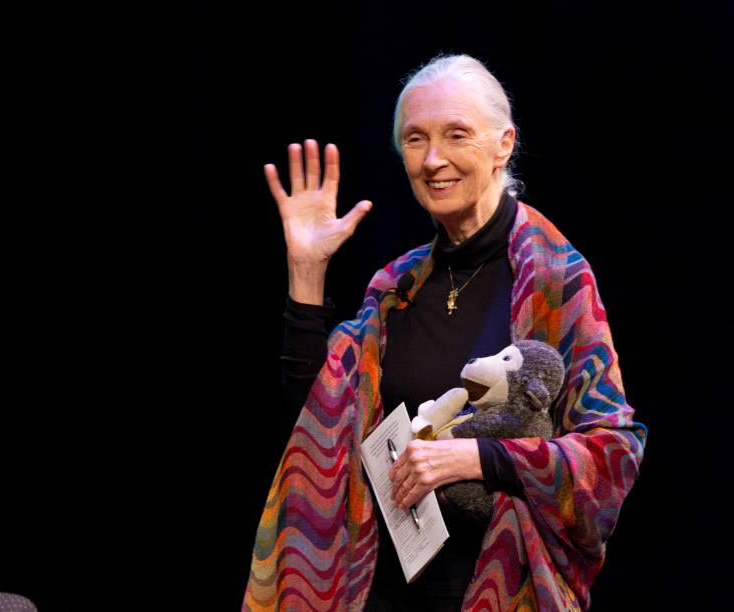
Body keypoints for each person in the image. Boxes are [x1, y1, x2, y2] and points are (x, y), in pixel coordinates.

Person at [243, 54, 647, 611]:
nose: (434, 160)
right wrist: (306, 270)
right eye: (415, 140)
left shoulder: (557, 282)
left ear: (504, 144)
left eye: (457, 134)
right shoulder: (395, 286)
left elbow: (613, 454)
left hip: (500, 587)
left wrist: (478, 459)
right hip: (382, 586)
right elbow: (319, 420)